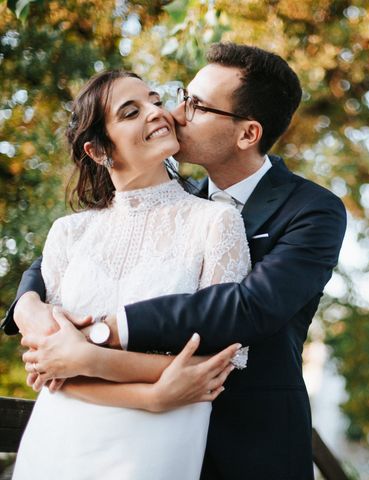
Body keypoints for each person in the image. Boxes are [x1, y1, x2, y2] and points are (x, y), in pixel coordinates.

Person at [4, 43, 347, 480]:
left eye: (197, 106)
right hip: (104, 433)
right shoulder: (170, 199)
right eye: (182, 97)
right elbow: (70, 256)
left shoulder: (312, 210)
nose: (175, 114)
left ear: (248, 134)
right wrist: (29, 306)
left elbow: (249, 306)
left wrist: (98, 336)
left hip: (248, 443)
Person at [10, 70, 251, 480]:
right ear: (98, 150)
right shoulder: (69, 233)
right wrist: (150, 394)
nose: (157, 113)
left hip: (154, 447)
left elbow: (219, 363)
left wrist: (90, 360)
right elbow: (48, 370)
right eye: (130, 112)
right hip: (58, 440)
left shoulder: (216, 222)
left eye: (156, 101)